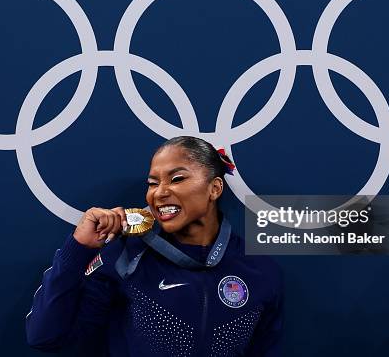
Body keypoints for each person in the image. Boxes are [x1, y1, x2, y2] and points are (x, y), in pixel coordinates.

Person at [25, 136, 284, 356]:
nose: (159, 193)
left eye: (176, 179)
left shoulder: (259, 268)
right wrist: (78, 248)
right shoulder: (125, 257)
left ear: (214, 188)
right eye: (152, 183)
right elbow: (45, 337)